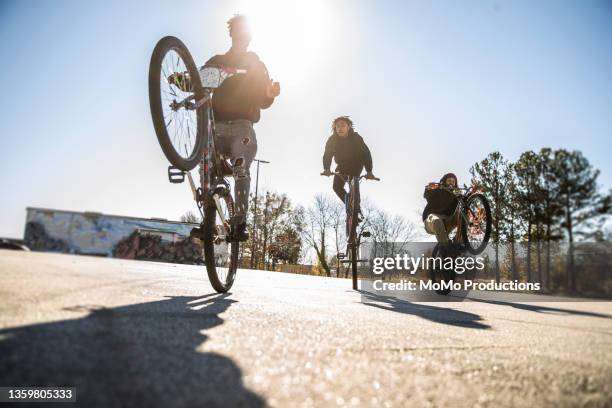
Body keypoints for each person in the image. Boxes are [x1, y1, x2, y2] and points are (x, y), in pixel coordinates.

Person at [189, 15, 280, 241]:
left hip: (242, 127)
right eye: (238, 32)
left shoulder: (256, 65)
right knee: (206, 167)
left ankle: (239, 221)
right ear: (231, 34)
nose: (241, 37)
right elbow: (198, 84)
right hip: (216, 127)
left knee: (241, 168)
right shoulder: (216, 61)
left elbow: (263, 99)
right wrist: (181, 82)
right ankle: (207, 223)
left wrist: (269, 94)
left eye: (245, 33)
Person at [321, 117, 377, 208]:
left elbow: (366, 153)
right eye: (337, 126)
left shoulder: (356, 138)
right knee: (336, 187)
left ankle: (356, 208)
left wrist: (369, 171)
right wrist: (326, 168)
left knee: (353, 183)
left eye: (343, 126)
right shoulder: (332, 140)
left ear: (349, 126)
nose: (340, 128)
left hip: (357, 163)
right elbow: (327, 154)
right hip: (342, 165)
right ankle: (349, 206)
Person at [422, 173, 461, 249]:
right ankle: (445, 248)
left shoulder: (455, 195)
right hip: (431, 220)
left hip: (447, 222)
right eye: (449, 180)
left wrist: (473, 193)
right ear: (444, 182)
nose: (451, 183)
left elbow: (465, 202)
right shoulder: (438, 190)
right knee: (437, 221)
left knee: (463, 216)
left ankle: (459, 242)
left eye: (453, 181)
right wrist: (429, 187)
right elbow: (426, 194)